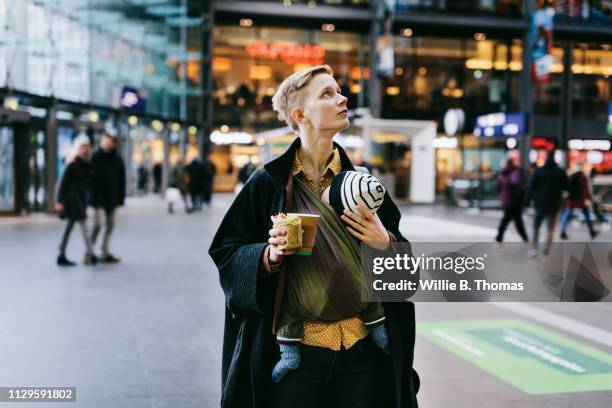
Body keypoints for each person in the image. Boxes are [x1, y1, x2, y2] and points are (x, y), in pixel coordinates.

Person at [209, 65, 419, 408]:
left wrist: (387, 245)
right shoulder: (267, 182)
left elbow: (405, 279)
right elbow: (227, 253)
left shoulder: (363, 185)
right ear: (300, 114)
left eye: (338, 91)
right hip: (294, 356)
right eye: (328, 94)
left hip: (361, 351)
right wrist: (268, 255)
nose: (342, 98)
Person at [55, 135, 96, 266]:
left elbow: (89, 183)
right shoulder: (72, 164)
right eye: (82, 148)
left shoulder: (87, 164)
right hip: (72, 201)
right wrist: (59, 201)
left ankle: (62, 253)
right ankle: (90, 253)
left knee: (71, 228)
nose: (85, 150)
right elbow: (62, 183)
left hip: (80, 201)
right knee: (83, 227)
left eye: (86, 148)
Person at [90, 134, 125, 263]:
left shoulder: (117, 159)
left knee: (110, 225)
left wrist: (121, 199)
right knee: (98, 224)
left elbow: (121, 180)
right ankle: (89, 251)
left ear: (114, 143)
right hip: (98, 198)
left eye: (109, 141)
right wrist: (92, 197)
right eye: (105, 141)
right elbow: (90, 179)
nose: (106, 143)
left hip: (112, 198)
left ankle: (105, 251)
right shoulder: (95, 157)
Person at [524, 151, 567, 256]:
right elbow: (567, 186)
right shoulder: (560, 172)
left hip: (540, 204)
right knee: (550, 228)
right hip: (554, 204)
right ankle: (547, 248)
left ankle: (535, 247)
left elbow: (531, 187)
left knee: (536, 225)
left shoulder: (539, 171)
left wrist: (527, 201)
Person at [559, 164, 599, 240]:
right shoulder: (583, 176)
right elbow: (586, 189)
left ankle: (562, 230)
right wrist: (587, 199)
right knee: (587, 214)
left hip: (571, 198)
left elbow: (566, 187)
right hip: (581, 199)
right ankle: (592, 231)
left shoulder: (571, 175)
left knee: (567, 214)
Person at [495, 156, 529, 243]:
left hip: (505, 200)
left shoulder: (502, 173)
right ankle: (525, 238)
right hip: (514, 201)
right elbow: (517, 185)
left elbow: (498, 187)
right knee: (516, 220)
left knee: (509, 219)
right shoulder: (515, 172)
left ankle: (499, 237)